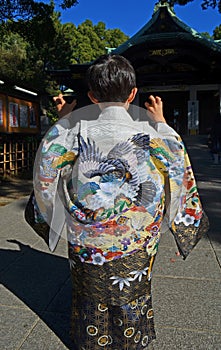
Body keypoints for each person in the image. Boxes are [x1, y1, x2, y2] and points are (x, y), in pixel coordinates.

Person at [31, 54, 209, 350]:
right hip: (135, 236)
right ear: (133, 93)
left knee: (89, 287)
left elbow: (45, 174)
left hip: (88, 236)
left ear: (91, 96)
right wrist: (162, 122)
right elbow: (178, 166)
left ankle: (91, 340)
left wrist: (63, 121)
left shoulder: (74, 131)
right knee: (134, 286)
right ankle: (132, 340)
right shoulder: (151, 133)